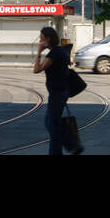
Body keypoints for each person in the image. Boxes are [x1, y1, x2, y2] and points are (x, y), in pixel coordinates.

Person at [32, 26, 83, 155]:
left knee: (53, 125)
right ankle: (72, 145)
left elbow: (37, 69)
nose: (40, 42)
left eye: (42, 39)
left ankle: (69, 146)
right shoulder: (58, 51)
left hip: (57, 93)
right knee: (50, 123)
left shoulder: (55, 53)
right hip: (59, 92)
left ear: (48, 39)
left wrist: (39, 52)